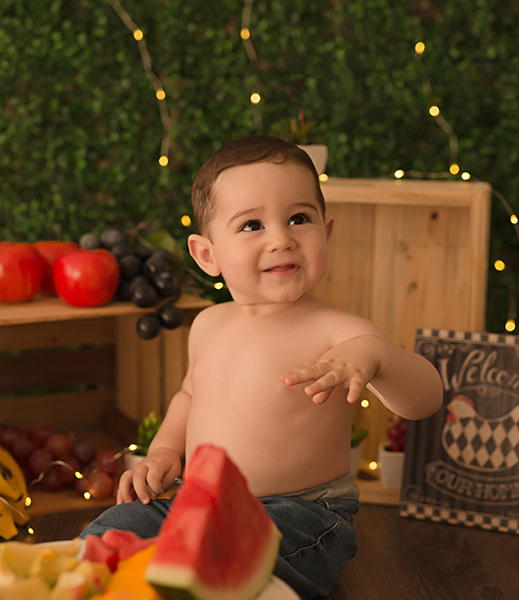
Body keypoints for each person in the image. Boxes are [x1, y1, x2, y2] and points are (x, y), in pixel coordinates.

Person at [81, 135, 443, 598]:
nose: (281, 239)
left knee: (224, 567)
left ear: (326, 231)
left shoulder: (342, 333)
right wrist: (164, 451)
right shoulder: (208, 325)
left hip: (299, 513)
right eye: (252, 225)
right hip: (197, 505)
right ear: (207, 255)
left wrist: (380, 357)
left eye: (299, 218)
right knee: (110, 532)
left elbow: (426, 399)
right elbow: (190, 395)